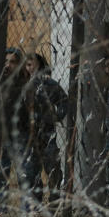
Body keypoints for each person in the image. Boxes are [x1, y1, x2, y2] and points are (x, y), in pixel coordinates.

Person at [18, 53, 68, 202]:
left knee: (52, 168)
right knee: (30, 171)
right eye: (27, 65)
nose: (29, 68)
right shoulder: (22, 85)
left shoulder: (49, 84)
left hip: (47, 134)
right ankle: (35, 203)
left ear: (39, 64)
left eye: (31, 64)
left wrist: (55, 116)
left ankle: (54, 200)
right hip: (28, 135)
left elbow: (64, 102)